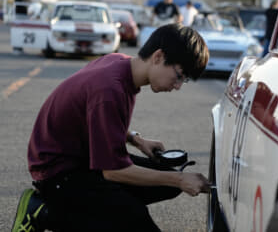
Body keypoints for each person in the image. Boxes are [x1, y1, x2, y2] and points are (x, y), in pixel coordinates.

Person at [12, 24, 210, 232]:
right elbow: (114, 172)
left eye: (184, 80)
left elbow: (92, 117)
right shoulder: (110, 89)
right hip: (58, 173)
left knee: (163, 183)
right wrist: (179, 179)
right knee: (137, 218)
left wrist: (135, 139)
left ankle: (105, 212)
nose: (177, 86)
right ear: (158, 56)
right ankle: (43, 212)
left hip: (82, 158)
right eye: (179, 76)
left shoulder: (119, 62)